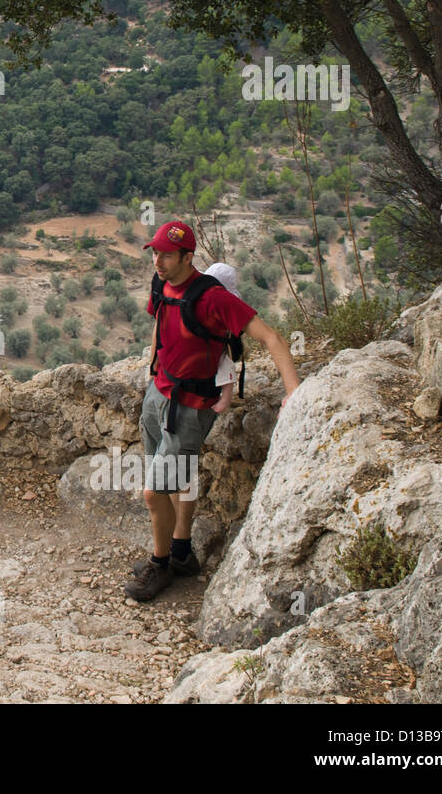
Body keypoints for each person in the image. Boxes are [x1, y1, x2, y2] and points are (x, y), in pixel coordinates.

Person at [125, 221, 300, 602]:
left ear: (188, 258)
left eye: (166, 254)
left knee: (154, 494)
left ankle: (160, 565)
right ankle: (183, 552)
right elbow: (160, 321)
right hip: (159, 394)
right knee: (177, 475)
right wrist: (153, 370)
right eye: (154, 252)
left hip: (189, 408)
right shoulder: (161, 283)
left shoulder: (214, 298)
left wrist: (295, 396)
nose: (157, 260)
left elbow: (271, 337)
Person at [203, 262, 240, 413]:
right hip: (208, 338)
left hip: (220, 341)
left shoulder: (224, 304)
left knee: (225, 362)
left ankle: (225, 399)